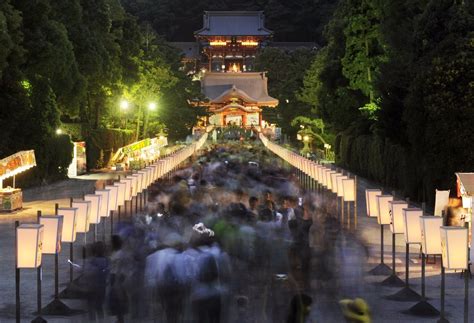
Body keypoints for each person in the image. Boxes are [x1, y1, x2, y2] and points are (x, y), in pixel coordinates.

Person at [83, 241, 108, 321]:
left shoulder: (92, 261)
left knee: (91, 308)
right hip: (102, 287)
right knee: (99, 307)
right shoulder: (106, 260)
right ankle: (101, 321)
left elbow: (87, 273)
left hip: (91, 287)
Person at [107, 235, 129, 323]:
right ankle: (119, 318)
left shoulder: (119, 254)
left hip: (117, 276)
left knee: (118, 298)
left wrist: (117, 280)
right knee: (116, 299)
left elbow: (119, 267)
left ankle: (120, 319)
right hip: (114, 276)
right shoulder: (115, 252)